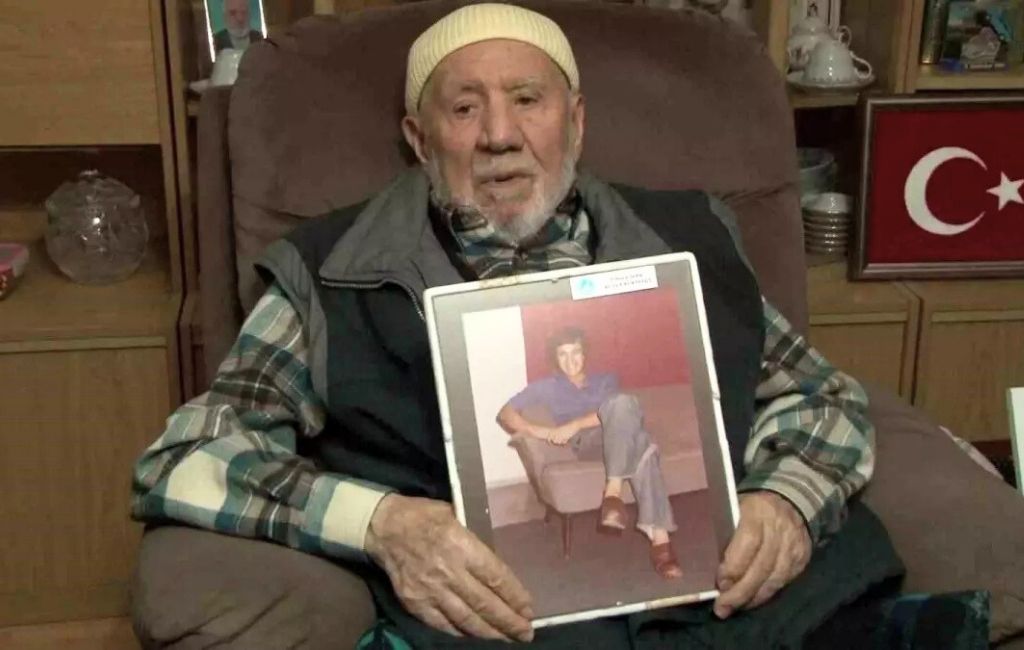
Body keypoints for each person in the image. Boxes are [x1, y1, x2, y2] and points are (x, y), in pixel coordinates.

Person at [132, 3, 887, 647]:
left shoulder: (691, 236)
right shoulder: (331, 269)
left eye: (528, 99)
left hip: (727, 606)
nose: (500, 134)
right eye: (464, 109)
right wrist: (383, 525)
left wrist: (785, 502)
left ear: (576, 122)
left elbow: (822, 401)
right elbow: (190, 454)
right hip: (505, 621)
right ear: (420, 140)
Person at [497, 327, 682, 579]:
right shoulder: (546, 387)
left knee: (636, 431)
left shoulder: (605, 380)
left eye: (575, 352)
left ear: (585, 355)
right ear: (555, 358)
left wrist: (573, 424)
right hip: (587, 443)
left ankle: (651, 531)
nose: (570, 360)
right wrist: (541, 431)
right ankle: (627, 509)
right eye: (563, 354)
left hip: (617, 437)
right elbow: (505, 413)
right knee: (637, 432)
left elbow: (617, 413)